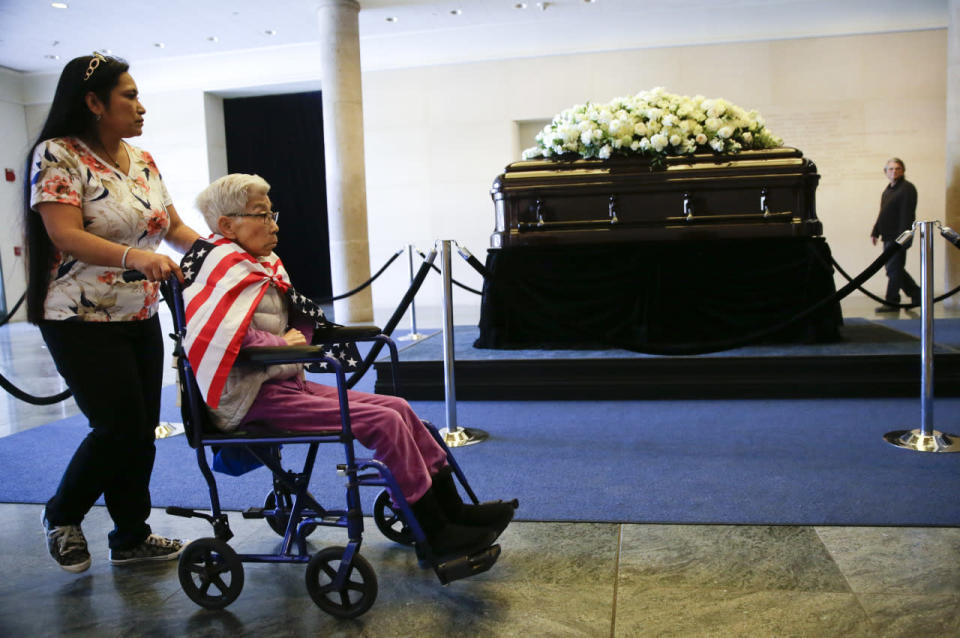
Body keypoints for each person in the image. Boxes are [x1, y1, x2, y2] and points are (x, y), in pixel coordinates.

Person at [184, 174, 515, 557]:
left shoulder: (258, 262)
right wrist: (283, 343)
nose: (274, 224)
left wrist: (303, 337)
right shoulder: (220, 266)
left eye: (272, 213)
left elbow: (291, 323)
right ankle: (434, 531)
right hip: (250, 396)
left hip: (285, 381)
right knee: (383, 421)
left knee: (399, 408)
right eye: (262, 215)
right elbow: (213, 335)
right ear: (227, 224)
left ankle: (453, 511)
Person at [25, 53, 201, 573]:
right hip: (78, 317)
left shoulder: (142, 160)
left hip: (139, 313)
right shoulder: (58, 154)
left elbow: (172, 227)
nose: (140, 106)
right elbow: (64, 233)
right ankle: (61, 515)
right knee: (116, 427)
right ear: (94, 102)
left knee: (141, 428)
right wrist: (135, 257)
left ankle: (130, 536)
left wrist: (222, 253)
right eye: (128, 95)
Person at [871, 157, 920, 313]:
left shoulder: (907, 188)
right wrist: (875, 231)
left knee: (893, 269)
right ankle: (917, 294)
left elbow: (907, 215)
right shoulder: (888, 190)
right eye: (890, 169)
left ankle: (892, 302)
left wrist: (904, 238)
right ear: (885, 172)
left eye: (897, 168)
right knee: (894, 269)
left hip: (898, 237)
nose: (894, 171)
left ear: (903, 170)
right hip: (888, 236)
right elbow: (883, 213)